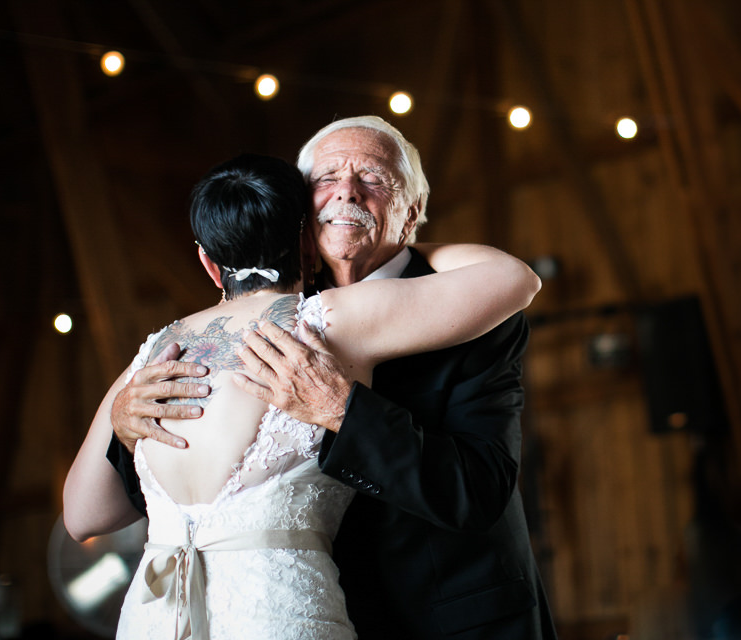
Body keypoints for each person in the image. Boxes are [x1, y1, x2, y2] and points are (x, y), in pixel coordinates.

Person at [106, 116, 557, 638]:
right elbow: (205, 499)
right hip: (308, 611)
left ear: (411, 213)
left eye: (373, 179)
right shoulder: (267, 322)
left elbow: (476, 490)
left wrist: (342, 411)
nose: (346, 191)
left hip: (456, 622)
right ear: (300, 214)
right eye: (327, 179)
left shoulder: (477, 312)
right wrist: (126, 429)